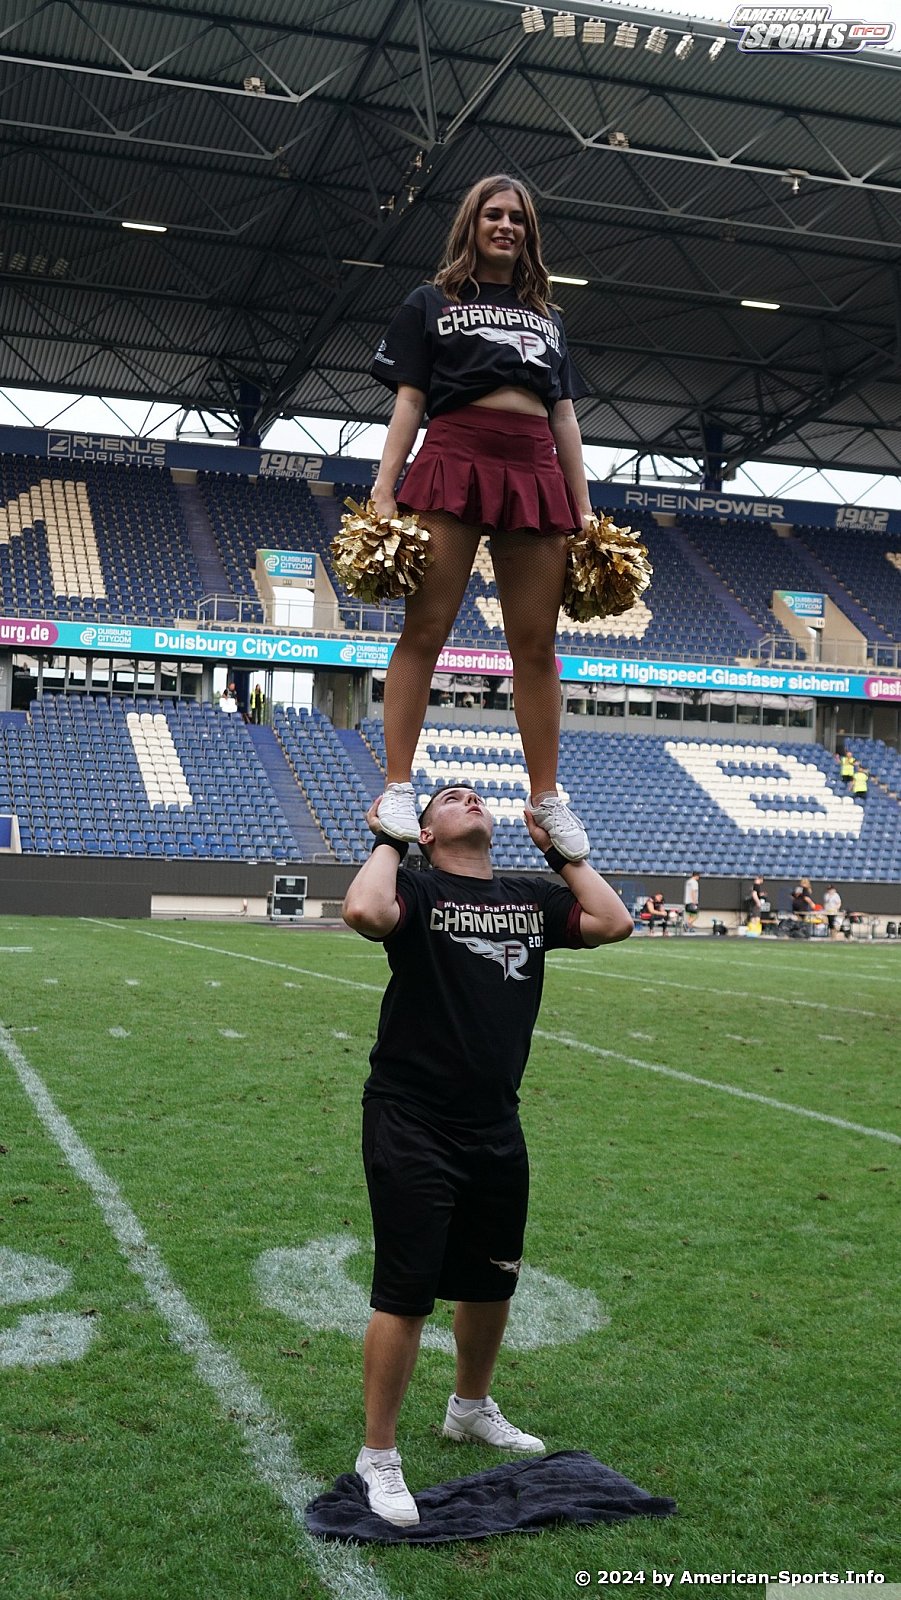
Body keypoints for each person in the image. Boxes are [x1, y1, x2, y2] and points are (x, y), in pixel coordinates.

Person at [341, 783, 632, 1526]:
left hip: (496, 1120)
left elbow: (613, 921)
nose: (467, 797)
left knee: (493, 1278)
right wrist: (388, 838)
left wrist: (563, 853)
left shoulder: (530, 896)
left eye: (473, 794)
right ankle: (378, 1454)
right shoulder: (413, 887)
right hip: (411, 1117)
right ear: (427, 833)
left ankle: (469, 1407)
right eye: (448, 798)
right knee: (406, 1290)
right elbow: (364, 913)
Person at [369, 173, 594, 863]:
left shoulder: (548, 317)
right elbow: (410, 401)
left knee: (535, 644)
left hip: (533, 466)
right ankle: (398, 785)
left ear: (529, 233)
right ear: (471, 223)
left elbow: (564, 416)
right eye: (493, 214)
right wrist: (384, 487)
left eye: (517, 218)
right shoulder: (430, 301)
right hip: (454, 453)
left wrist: (583, 507)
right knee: (425, 629)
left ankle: (546, 796)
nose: (506, 226)